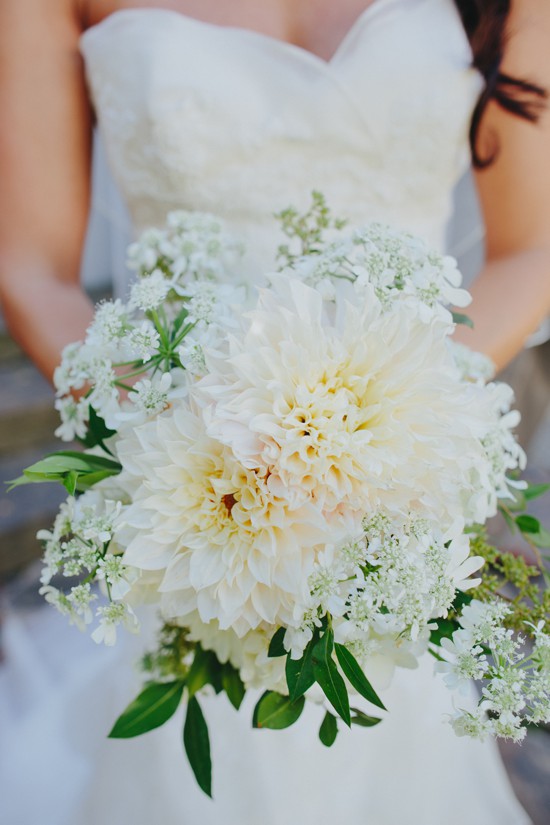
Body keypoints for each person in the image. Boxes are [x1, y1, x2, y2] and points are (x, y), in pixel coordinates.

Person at [0, 1, 549, 823]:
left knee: (391, 715)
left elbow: (533, 245)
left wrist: (382, 428)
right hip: (195, 473)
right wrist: (176, 435)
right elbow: (31, 264)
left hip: (390, 470)